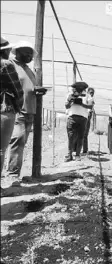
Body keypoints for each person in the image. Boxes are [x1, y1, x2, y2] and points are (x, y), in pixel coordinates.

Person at [6, 41, 47, 187]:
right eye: (26, 53)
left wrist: (37, 90)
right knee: (17, 141)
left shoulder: (29, 70)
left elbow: (30, 87)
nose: (29, 56)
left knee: (21, 143)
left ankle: (15, 172)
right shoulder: (11, 65)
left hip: (30, 110)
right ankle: (12, 174)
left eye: (30, 54)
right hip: (18, 110)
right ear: (17, 52)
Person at [1, 37, 24, 195]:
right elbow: (17, 90)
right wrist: (18, 107)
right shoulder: (5, 64)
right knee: (0, 149)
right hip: (3, 109)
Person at [64, 81, 94, 162]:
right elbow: (66, 106)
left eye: (81, 88)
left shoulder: (87, 96)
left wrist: (82, 104)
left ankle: (77, 155)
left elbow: (91, 106)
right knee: (71, 137)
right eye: (77, 88)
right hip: (71, 118)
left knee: (80, 137)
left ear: (84, 89)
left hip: (83, 118)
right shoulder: (70, 95)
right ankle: (69, 155)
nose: (79, 89)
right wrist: (71, 101)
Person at [82, 87, 95, 154]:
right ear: (87, 92)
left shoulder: (91, 99)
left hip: (88, 117)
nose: (92, 94)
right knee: (82, 134)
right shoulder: (86, 98)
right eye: (90, 92)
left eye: (92, 93)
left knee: (85, 134)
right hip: (85, 117)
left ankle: (85, 150)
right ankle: (79, 150)